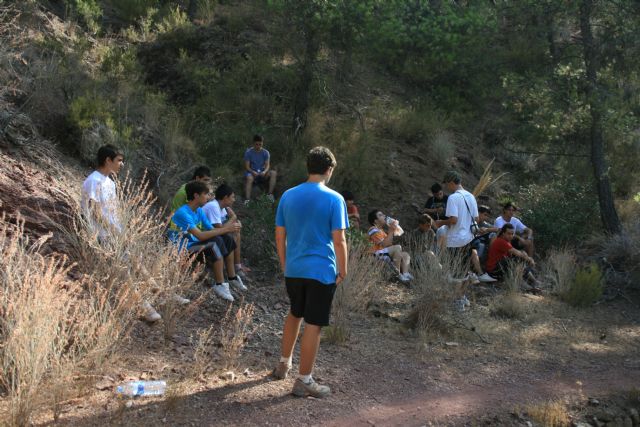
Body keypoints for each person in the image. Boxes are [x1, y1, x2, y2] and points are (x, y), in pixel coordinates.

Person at [271, 146, 348, 398]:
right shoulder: (334, 199)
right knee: (313, 324)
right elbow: (339, 240)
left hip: (294, 268)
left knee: (295, 313)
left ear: (308, 167)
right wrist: (343, 268)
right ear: (329, 170)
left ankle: (283, 363)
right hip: (321, 270)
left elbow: (280, 235)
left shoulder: (287, 196)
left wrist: (284, 264)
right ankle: (304, 380)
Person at [81, 145, 178, 323]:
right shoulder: (93, 180)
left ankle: (161, 294)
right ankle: (144, 307)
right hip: (101, 235)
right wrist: (115, 233)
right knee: (123, 270)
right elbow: (95, 212)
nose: (122, 164)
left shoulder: (109, 182)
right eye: (119, 160)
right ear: (107, 160)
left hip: (114, 234)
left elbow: (112, 212)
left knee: (137, 262)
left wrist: (121, 232)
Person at [168, 181, 245, 302]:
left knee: (225, 238)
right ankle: (220, 285)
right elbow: (200, 236)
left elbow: (212, 229)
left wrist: (228, 230)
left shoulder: (198, 211)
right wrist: (227, 228)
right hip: (182, 248)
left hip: (193, 244)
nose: (209, 197)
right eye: (206, 194)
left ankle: (230, 279)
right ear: (196, 196)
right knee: (214, 243)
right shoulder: (183, 213)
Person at [435, 171, 496, 284]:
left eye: (447, 184)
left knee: (454, 276)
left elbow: (453, 220)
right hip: (468, 239)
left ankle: (458, 298)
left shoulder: (453, 198)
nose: (446, 187)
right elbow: (476, 219)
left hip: (454, 241)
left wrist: (440, 222)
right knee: (462, 272)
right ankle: (462, 298)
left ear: (452, 182)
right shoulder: (471, 196)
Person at [202, 183, 251, 277]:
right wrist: (233, 218)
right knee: (230, 235)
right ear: (225, 198)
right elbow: (219, 229)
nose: (234, 200)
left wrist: (235, 223)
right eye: (232, 197)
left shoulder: (222, 208)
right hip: (205, 236)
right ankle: (234, 268)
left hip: (212, 233)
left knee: (236, 232)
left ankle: (236, 266)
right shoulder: (213, 206)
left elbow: (225, 226)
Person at [486, 224, 541, 291]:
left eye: (512, 234)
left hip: (499, 267)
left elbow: (519, 252)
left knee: (520, 258)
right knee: (519, 258)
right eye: (508, 234)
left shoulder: (506, 241)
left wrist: (525, 255)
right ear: (503, 233)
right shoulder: (501, 241)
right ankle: (520, 282)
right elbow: (517, 253)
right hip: (494, 270)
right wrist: (530, 259)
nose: (511, 236)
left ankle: (534, 281)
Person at [367, 210, 413, 282]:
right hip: (375, 254)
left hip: (383, 253)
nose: (384, 216)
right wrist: (391, 230)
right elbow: (384, 244)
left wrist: (394, 230)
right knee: (398, 247)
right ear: (375, 221)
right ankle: (398, 274)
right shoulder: (373, 229)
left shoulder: (381, 230)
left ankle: (405, 273)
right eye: (380, 215)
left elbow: (389, 244)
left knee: (405, 255)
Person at [244, 135, 277, 202]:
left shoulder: (266, 152)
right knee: (249, 178)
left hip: (262, 173)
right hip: (252, 172)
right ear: (253, 143)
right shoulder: (248, 152)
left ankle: (269, 194)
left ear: (262, 143)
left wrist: (264, 172)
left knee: (273, 173)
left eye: (260, 144)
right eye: (256, 144)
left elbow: (267, 165)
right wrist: (253, 172)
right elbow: (247, 167)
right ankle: (247, 200)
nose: (258, 146)